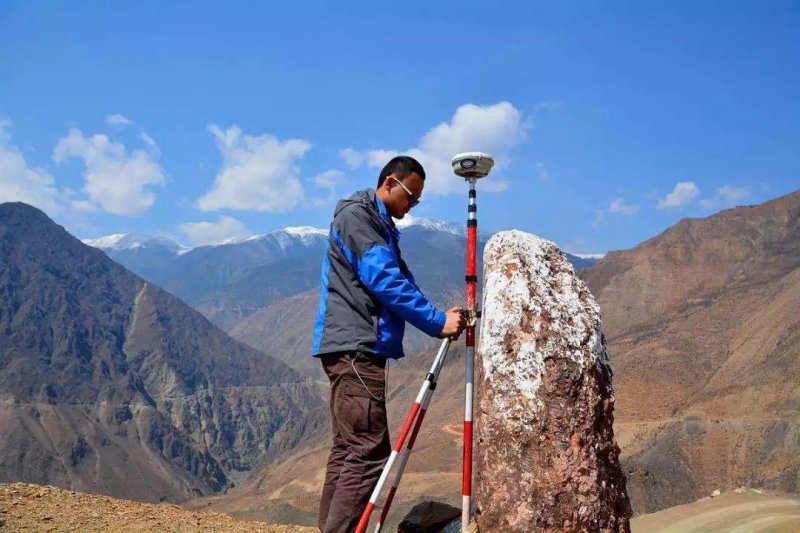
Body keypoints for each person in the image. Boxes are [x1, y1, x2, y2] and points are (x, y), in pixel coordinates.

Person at [312, 155, 466, 532]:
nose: (412, 205)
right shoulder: (360, 219)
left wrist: (440, 317)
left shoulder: (377, 222)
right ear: (389, 183)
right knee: (367, 452)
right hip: (356, 347)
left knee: (349, 449)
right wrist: (435, 322)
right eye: (411, 196)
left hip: (349, 345)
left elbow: (401, 279)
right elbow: (385, 281)